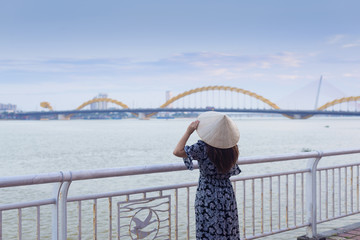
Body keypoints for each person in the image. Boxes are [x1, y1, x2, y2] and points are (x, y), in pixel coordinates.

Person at [173, 111, 241, 240]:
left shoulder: (202, 147)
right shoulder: (232, 149)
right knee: (228, 228)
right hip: (226, 194)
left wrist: (188, 131)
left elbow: (178, 151)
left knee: (208, 230)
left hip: (207, 195)